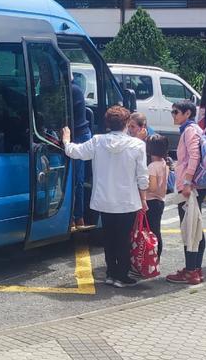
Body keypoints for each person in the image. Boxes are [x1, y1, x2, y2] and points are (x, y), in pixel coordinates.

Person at [62, 105, 149, 288]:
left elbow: (75, 152)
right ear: (126, 123)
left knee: (109, 238)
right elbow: (142, 176)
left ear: (108, 123)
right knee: (124, 239)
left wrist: (66, 140)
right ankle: (122, 275)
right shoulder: (137, 145)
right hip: (127, 201)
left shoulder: (97, 141)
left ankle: (110, 273)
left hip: (104, 200)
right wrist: (144, 199)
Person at [167, 101, 206, 285]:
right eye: (172, 112)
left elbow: (194, 157)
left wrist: (188, 182)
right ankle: (195, 268)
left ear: (187, 113)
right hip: (194, 184)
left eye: (176, 112)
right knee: (195, 226)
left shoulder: (190, 130)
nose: (173, 115)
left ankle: (191, 272)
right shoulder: (192, 129)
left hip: (190, 186)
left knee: (189, 227)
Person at [70, 83, 93, 230]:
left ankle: (78, 217)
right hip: (67, 135)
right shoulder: (53, 89)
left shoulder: (72, 89)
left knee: (76, 179)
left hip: (78, 136)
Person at [144, 135, 171, 260]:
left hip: (151, 201)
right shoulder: (164, 163)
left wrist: (142, 185)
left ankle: (150, 257)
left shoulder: (152, 166)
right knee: (156, 230)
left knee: (149, 231)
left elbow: (152, 187)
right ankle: (156, 257)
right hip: (160, 200)